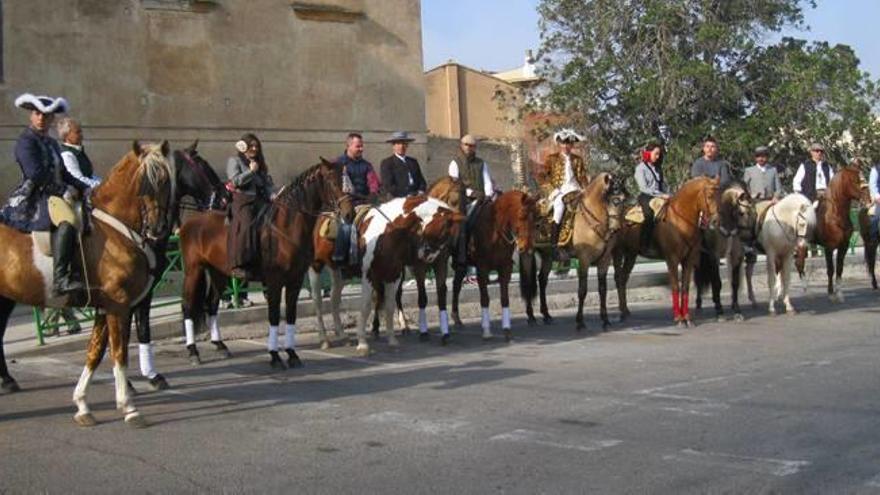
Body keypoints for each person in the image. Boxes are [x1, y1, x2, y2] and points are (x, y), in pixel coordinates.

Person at [0, 93, 90, 296]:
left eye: (46, 115)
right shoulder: (25, 141)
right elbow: (36, 174)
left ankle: (82, 271)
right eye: (37, 113)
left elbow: (64, 173)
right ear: (31, 116)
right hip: (37, 196)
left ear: (51, 119)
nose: (41, 118)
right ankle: (61, 280)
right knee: (68, 220)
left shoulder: (51, 144)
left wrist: (85, 187)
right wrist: (63, 189)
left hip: (55, 195)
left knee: (88, 215)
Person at [226, 133, 274, 279]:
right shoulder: (234, 161)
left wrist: (273, 193)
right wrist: (250, 172)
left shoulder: (259, 163)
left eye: (256, 146)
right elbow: (234, 182)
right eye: (251, 145)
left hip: (261, 201)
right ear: (244, 146)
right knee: (247, 224)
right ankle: (239, 264)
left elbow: (266, 184)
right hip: (243, 201)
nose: (254, 148)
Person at [448, 134, 496, 267]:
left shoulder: (481, 163)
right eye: (467, 145)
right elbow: (454, 184)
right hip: (464, 200)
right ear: (461, 145)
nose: (469, 147)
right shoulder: (455, 163)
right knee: (463, 223)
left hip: (483, 198)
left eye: (472, 145)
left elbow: (487, 181)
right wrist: (471, 193)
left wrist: (488, 195)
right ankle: (461, 256)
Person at [542, 128, 589, 258]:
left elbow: (583, 176)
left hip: (576, 189)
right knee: (559, 207)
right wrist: (553, 190)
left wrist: (586, 188)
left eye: (569, 144)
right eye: (563, 144)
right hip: (559, 191)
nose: (566, 146)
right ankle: (554, 243)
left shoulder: (577, 159)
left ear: (572, 145)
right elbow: (543, 177)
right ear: (559, 144)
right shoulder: (551, 159)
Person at [334, 133, 380, 265]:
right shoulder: (338, 163)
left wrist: (373, 193)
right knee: (347, 227)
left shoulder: (367, 165)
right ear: (348, 146)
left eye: (362, 146)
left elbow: (373, 182)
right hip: (345, 204)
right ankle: (340, 258)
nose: (361, 149)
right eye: (358, 146)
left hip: (364, 203)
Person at [634, 142, 669, 250]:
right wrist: (660, 195)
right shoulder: (640, 168)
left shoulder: (658, 169)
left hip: (661, 195)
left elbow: (663, 185)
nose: (658, 157)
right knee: (649, 215)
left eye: (659, 154)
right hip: (646, 196)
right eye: (656, 154)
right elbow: (643, 188)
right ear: (648, 153)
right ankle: (644, 243)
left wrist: (668, 194)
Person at [380, 131, 426, 199]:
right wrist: (406, 195)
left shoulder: (413, 162)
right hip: (398, 198)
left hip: (416, 196)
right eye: (398, 144)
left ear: (407, 145)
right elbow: (389, 186)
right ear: (393, 146)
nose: (401, 146)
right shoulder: (387, 163)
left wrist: (421, 191)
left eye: (404, 143)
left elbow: (421, 181)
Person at [58, 117, 101, 189]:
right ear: (66, 135)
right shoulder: (67, 155)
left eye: (81, 132)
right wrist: (99, 185)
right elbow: (78, 179)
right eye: (77, 132)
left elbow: (89, 175)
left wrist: (102, 182)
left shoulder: (78, 151)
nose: (81, 135)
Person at [867, 160, 880, 240]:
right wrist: (878, 197)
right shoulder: (875, 169)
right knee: (876, 217)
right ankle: (873, 238)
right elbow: (872, 185)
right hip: (878, 197)